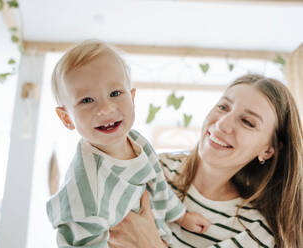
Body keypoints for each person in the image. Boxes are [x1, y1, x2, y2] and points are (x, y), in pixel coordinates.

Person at [46, 40, 211, 247]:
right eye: (87, 100)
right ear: (67, 118)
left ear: (132, 97)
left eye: (115, 93)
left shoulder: (138, 142)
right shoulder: (84, 193)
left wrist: (181, 216)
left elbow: (158, 186)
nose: (106, 108)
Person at [109, 74, 303, 248]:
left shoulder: (255, 232)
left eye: (247, 122)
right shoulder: (154, 166)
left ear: (269, 150)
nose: (222, 124)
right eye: (223, 107)